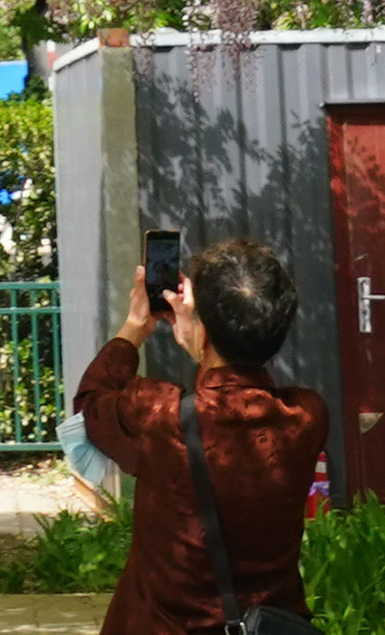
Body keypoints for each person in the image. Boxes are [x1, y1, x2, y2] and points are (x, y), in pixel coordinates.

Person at [74, 242, 327, 635]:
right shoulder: (306, 417)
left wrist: (135, 327)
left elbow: (92, 402)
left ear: (204, 328)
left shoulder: (157, 413)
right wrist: (208, 345)